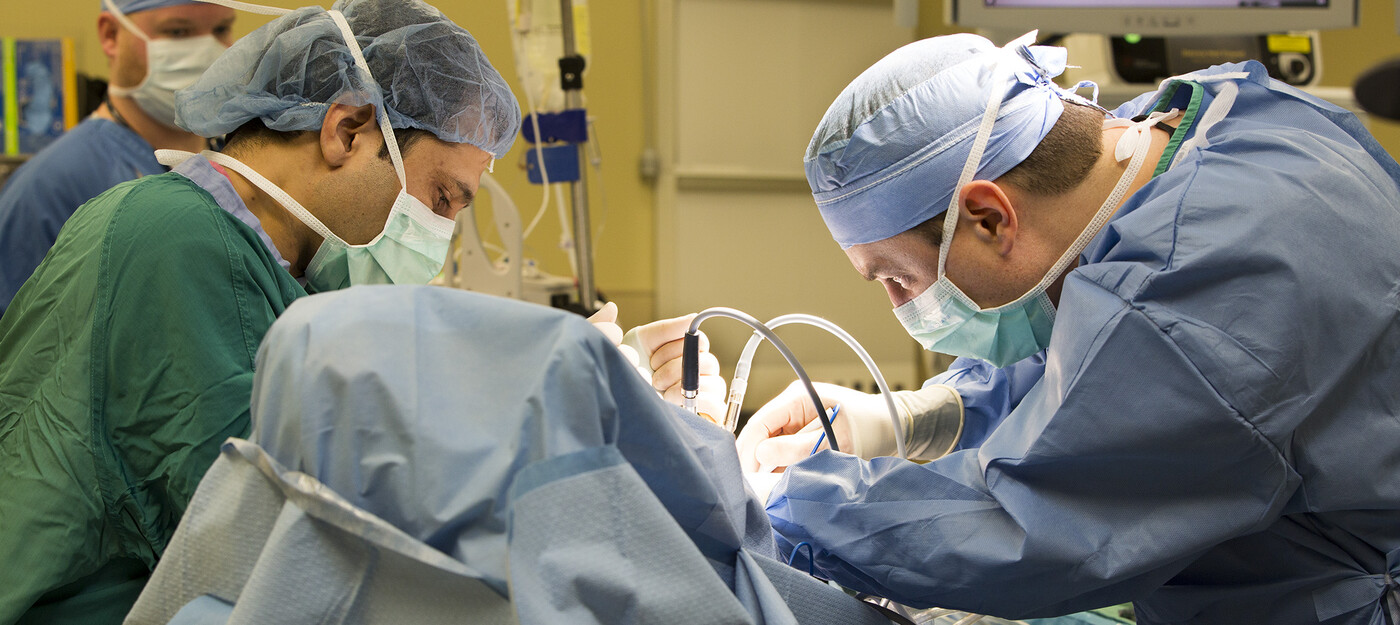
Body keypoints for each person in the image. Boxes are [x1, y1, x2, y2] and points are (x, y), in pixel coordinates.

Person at [735, 32, 1400, 624]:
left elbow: (1025, 528)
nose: (897, 303)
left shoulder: (1192, 294)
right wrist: (922, 416)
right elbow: (1100, 358)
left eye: (898, 277)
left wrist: (776, 502)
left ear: (989, 217)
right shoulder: (1213, 120)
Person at [0, 1, 524, 622]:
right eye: (440, 199)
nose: (438, 234)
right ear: (348, 131)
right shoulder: (178, 242)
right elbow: (258, 529)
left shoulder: (274, 268)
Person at [0, 0, 235, 315]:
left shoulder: (241, 158)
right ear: (111, 34)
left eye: (221, 29)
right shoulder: (50, 188)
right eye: (178, 31)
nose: (206, 51)